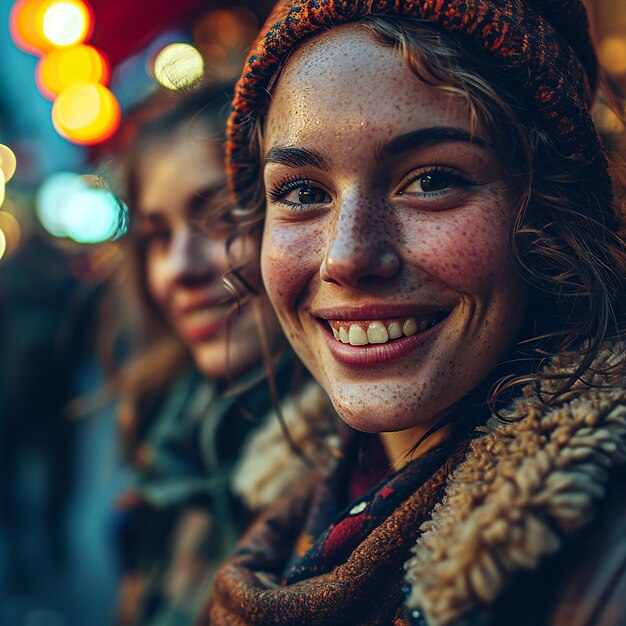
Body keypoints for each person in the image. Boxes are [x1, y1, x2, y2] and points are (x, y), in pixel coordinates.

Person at [205, 1, 626, 625]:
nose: (346, 256)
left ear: (550, 212)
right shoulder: (284, 507)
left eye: (431, 180)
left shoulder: (603, 570)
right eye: (302, 192)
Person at [106, 83, 337, 626]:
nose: (178, 268)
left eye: (220, 217)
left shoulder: (355, 469)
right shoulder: (163, 441)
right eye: (157, 237)